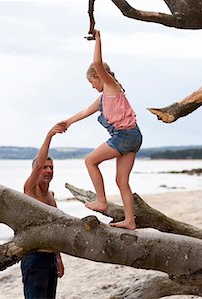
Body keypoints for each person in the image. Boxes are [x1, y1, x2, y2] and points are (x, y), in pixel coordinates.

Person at [59, 29, 142, 230]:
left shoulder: (111, 86)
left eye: (91, 81)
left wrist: (98, 39)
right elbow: (87, 110)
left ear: (98, 77)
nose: (92, 86)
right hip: (134, 136)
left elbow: (97, 63)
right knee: (122, 181)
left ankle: (101, 200)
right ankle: (130, 220)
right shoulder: (105, 97)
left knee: (90, 161)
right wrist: (68, 122)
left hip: (123, 136)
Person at [21, 123, 66, 299]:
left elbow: (54, 230)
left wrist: (59, 259)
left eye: (51, 167)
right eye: (44, 167)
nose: (48, 170)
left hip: (50, 261)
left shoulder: (51, 196)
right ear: (36, 171)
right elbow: (39, 162)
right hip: (34, 259)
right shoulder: (31, 190)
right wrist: (49, 136)